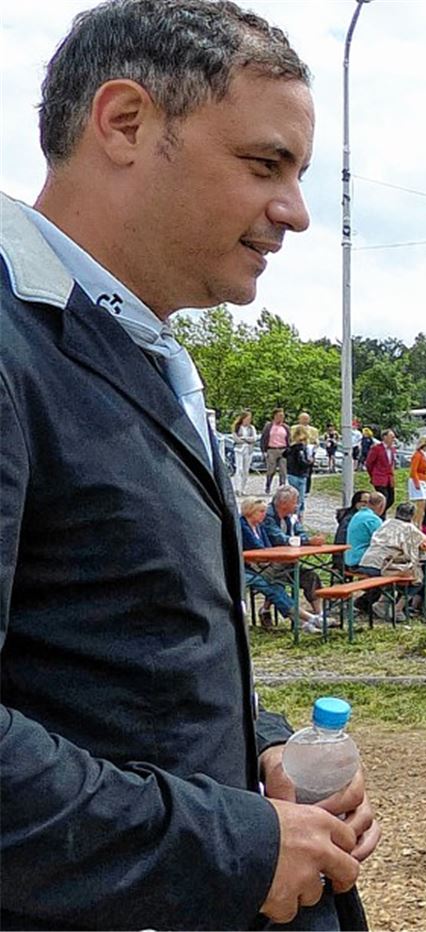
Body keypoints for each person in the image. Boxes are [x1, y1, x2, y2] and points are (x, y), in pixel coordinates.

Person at [0, 1, 378, 927]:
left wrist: (262, 749)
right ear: (125, 123)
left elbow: (128, 649)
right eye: (265, 164)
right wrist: (234, 845)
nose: (292, 210)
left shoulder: (137, 344)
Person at [241, 498, 323, 634]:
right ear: (250, 511)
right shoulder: (242, 526)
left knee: (279, 583)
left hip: (263, 565)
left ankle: (304, 622)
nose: (264, 515)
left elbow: (267, 547)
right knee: (274, 586)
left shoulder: (259, 526)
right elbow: (258, 547)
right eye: (261, 511)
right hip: (246, 568)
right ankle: (310, 619)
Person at [359, 502, 426, 616]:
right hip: (383, 567)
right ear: (412, 515)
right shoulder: (409, 529)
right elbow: (412, 554)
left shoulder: (386, 523)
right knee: (417, 579)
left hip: (366, 563)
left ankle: (383, 604)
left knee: (398, 573)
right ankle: (397, 609)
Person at [364, 428, 398, 515]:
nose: (393, 439)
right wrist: (373, 475)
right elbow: (369, 463)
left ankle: (379, 513)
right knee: (383, 498)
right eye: (391, 437)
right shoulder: (377, 449)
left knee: (391, 499)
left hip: (389, 478)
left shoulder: (393, 450)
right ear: (384, 437)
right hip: (379, 477)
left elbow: (392, 464)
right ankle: (380, 516)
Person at [285, 423, 314, 516]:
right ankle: (298, 517)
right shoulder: (301, 448)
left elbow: (284, 454)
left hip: (291, 473)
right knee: (300, 500)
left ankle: (292, 515)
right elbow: (301, 461)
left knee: (293, 497)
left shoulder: (290, 447)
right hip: (300, 474)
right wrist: (309, 463)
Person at [260, 407, 289, 494]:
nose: (281, 418)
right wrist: (264, 450)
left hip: (283, 449)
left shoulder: (285, 427)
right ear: (275, 416)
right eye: (279, 416)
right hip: (272, 449)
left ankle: (282, 487)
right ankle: (268, 485)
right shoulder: (268, 426)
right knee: (271, 470)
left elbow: (289, 439)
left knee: (283, 470)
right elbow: (264, 438)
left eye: (282, 416)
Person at [408, 435, 426, 526]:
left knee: (425, 504)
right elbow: (413, 470)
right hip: (417, 480)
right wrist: (416, 482)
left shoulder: (424, 455)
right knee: (420, 504)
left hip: (423, 480)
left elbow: (425, 471)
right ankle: (416, 523)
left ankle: (419, 522)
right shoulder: (417, 455)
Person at [232, 408, 257, 494]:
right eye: (247, 419)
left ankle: (243, 488)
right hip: (239, 449)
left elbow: (254, 438)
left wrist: (245, 438)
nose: (248, 421)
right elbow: (236, 439)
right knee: (239, 469)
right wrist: (243, 440)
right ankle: (237, 488)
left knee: (246, 470)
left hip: (249, 450)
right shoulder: (237, 427)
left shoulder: (252, 428)